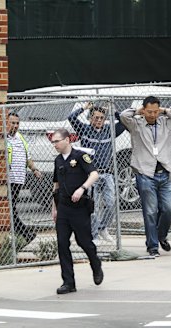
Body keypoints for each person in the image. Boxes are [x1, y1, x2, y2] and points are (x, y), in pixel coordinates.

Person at [120, 96, 171, 257]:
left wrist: (165, 111)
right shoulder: (136, 124)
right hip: (145, 173)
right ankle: (152, 246)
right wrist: (138, 111)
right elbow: (123, 115)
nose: (152, 115)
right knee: (150, 211)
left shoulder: (166, 122)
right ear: (144, 110)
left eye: (155, 111)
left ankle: (161, 235)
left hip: (164, 172)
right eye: (149, 111)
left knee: (170, 209)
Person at [51, 128, 103, 294]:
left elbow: (94, 174)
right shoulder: (58, 161)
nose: (55, 145)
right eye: (53, 142)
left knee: (84, 242)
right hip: (64, 207)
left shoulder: (80, 156)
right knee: (62, 244)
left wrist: (82, 188)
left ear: (67, 140)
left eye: (57, 141)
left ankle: (95, 263)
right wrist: (54, 208)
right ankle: (68, 282)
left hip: (79, 208)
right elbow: (56, 185)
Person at [68, 102, 126, 245]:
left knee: (111, 204)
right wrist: (84, 108)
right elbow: (71, 117)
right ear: (90, 119)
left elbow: (124, 123)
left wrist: (113, 111)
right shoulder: (84, 129)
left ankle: (102, 228)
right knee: (92, 207)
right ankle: (93, 235)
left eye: (101, 118)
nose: (98, 120)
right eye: (95, 118)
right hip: (90, 175)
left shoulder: (109, 130)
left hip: (107, 174)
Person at [6, 112, 42, 245]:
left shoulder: (21, 138)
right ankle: (26, 234)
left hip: (18, 179)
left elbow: (28, 158)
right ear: (6, 122)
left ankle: (23, 234)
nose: (15, 126)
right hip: (8, 179)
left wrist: (35, 169)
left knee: (11, 209)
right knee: (10, 209)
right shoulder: (3, 138)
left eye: (17, 123)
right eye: (12, 123)